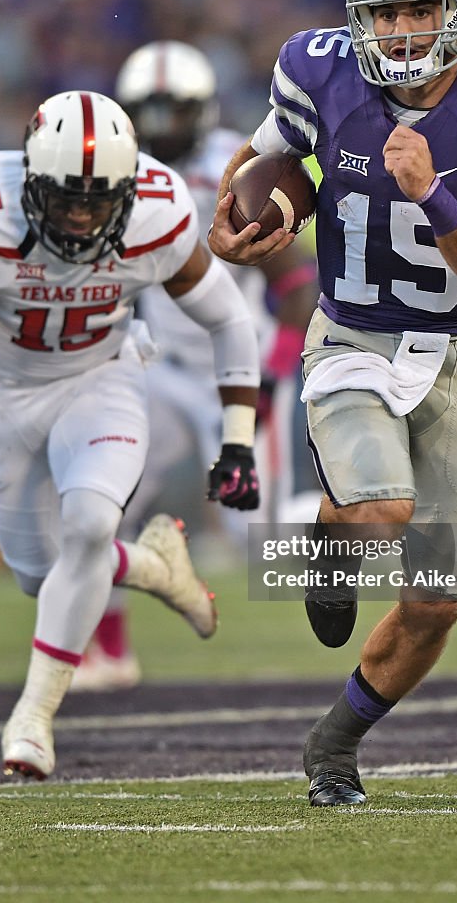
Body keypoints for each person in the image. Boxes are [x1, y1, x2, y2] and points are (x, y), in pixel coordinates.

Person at [209, 0, 457, 806]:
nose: (403, 30)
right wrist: (242, 223)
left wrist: (432, 193)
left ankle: (335, 745)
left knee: (439, 599)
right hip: (353, 338)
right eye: (387, 12)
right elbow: (265, 163)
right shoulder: (317, 66)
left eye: (420, 8)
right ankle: (331, 551)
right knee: (380, 510)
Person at [0, 90, 262, 779]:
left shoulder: (158, 216)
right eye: (66, 197)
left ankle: (33, 719)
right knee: (40, 576)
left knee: (91, 525)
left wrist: (239, 440)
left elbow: (229, 319)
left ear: (130, 191)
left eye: (98, 199)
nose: (80, 215)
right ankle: (154, 567)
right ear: (30, 181)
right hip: (7, 396)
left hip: (104, 381)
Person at [69, 41, 319, 692]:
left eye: (170, 111)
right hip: (161, 366)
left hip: (240, 371)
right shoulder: (116, 177)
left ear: (202, 112)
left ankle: (365, 521)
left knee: (257, 541)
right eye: (146, 112)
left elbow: (295, 288)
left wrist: (267, 380)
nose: (157, 127)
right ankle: (110, 651)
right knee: (104, 499)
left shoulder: (235, 171)